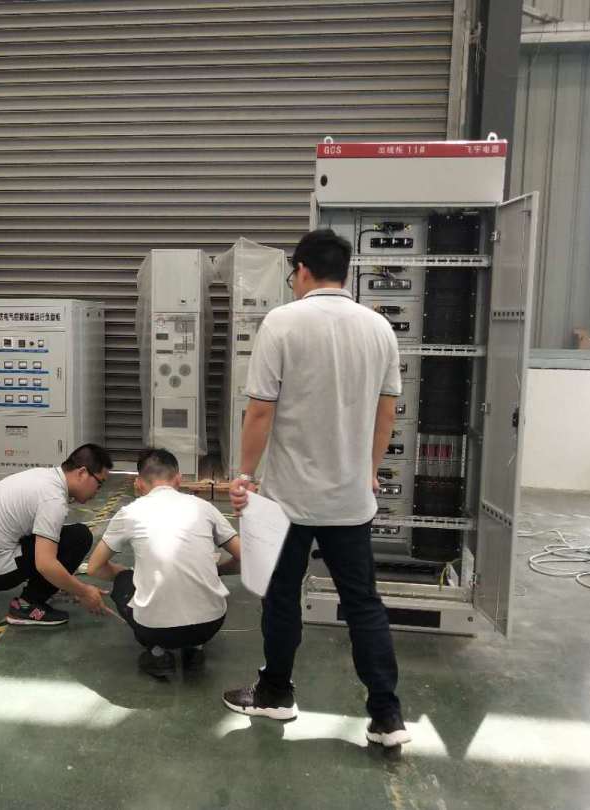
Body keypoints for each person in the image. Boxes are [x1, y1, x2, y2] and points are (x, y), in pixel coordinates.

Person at [221, 228, 412, 749]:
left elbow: (260, 411)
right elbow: (387, 412)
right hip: (350, 500)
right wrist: (370, 469)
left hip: (288, 500)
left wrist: (244, 475)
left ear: (302, 270)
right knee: (363, 604)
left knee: (282, 597)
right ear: (344, 272)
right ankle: (387, 716)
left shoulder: (282, 323)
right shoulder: (379, 328)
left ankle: (276, 694)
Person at [87, 448, 241, 678]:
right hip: (211, 625)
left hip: (155, 630)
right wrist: (217, 570)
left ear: (138, 484)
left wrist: (126, 573)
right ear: (178, 479)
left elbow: (94, 567)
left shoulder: (129, 513)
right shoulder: (204, 508)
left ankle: (158, 654)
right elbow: (247, 558)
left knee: (123, 581)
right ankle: (195, 649)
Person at [0, 443, 114, 626]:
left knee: (40, 533)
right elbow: (45, 564)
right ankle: (27, 605)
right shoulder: (53, 499)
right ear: (82, 473)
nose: (97, 491)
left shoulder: (42, 476)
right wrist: (84, 592)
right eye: (99, 483)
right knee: (79, 537)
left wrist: (67, 583)